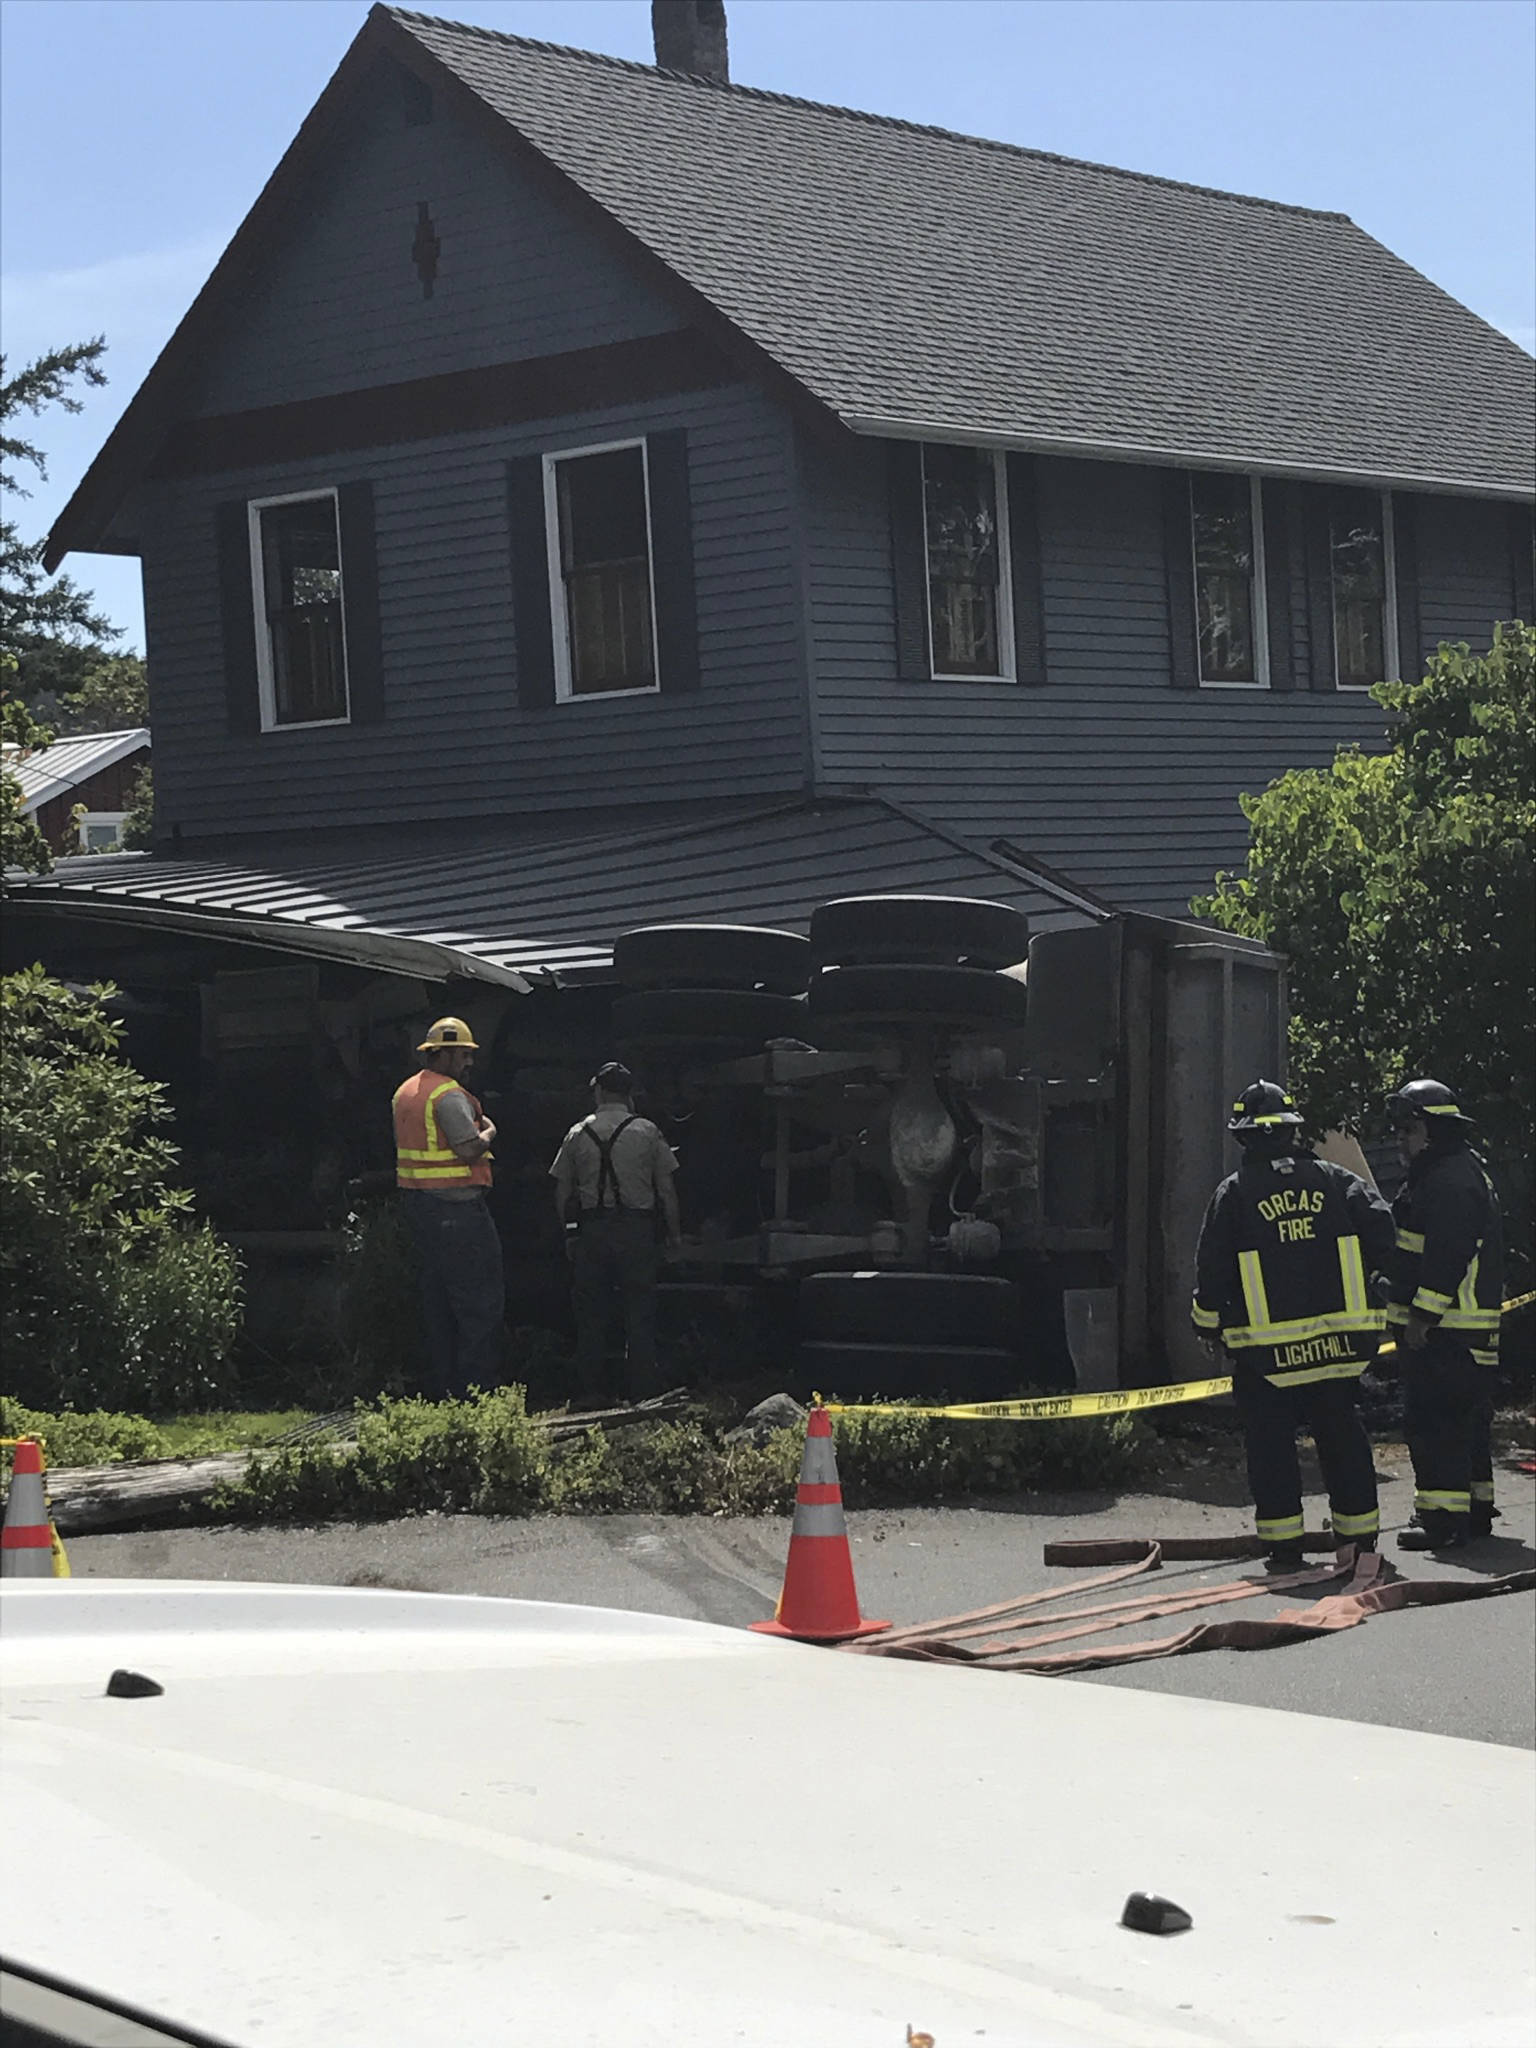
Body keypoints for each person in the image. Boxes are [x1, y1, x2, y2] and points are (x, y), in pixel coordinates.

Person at [1192, 1080, 1395, 1570]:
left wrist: (1206, 1326)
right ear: (1291, 1131)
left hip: (1266, 1357)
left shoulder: (1234, 1194)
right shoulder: (1337, 1181)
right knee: (1343, 1440)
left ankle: (1284, 1548)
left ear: (1243, 1137)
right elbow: (1385, 1235)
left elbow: (1211, 1270)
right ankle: (1359, 1543)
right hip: (1338, 1351)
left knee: (1271, 1448)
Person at [1384, 1078, 1503, 1551]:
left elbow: (1446, 1256)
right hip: (1461, 1331)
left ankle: (1441, 1520)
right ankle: (1474, 1509)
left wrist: (1421, 1317)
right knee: (1464, 1423)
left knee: (1435, 1423)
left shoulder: (1448, 1180)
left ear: (1434, 1132)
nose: (1400, 1140)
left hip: (1446, 1331)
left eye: (1408, 1130)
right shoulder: (1453, 1172)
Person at [550, 1062, 681, 1401]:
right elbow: (666, 1190)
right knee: (640, 1312)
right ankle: (642, 1391)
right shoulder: (648, 1132)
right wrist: (674, 1236)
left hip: (592, 1231)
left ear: (598, 1091)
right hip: (637, 1231)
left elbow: (563, 1193)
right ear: (629, 1094)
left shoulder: (577, 1133)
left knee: (591, 1315)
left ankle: (590, 1391)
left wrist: (570, 1233)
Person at [392, 1016, 504, 1399]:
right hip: (458, 1211)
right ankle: (477, 1394)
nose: (469, 1062)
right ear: (443, 1054)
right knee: (479, 1303)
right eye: (463, 1055)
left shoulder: (405, 1092)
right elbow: (469, 1148)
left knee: (437, 1303)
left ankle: (442, 1390)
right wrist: (490, 1130)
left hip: (420, 1208)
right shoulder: (449, 1095)